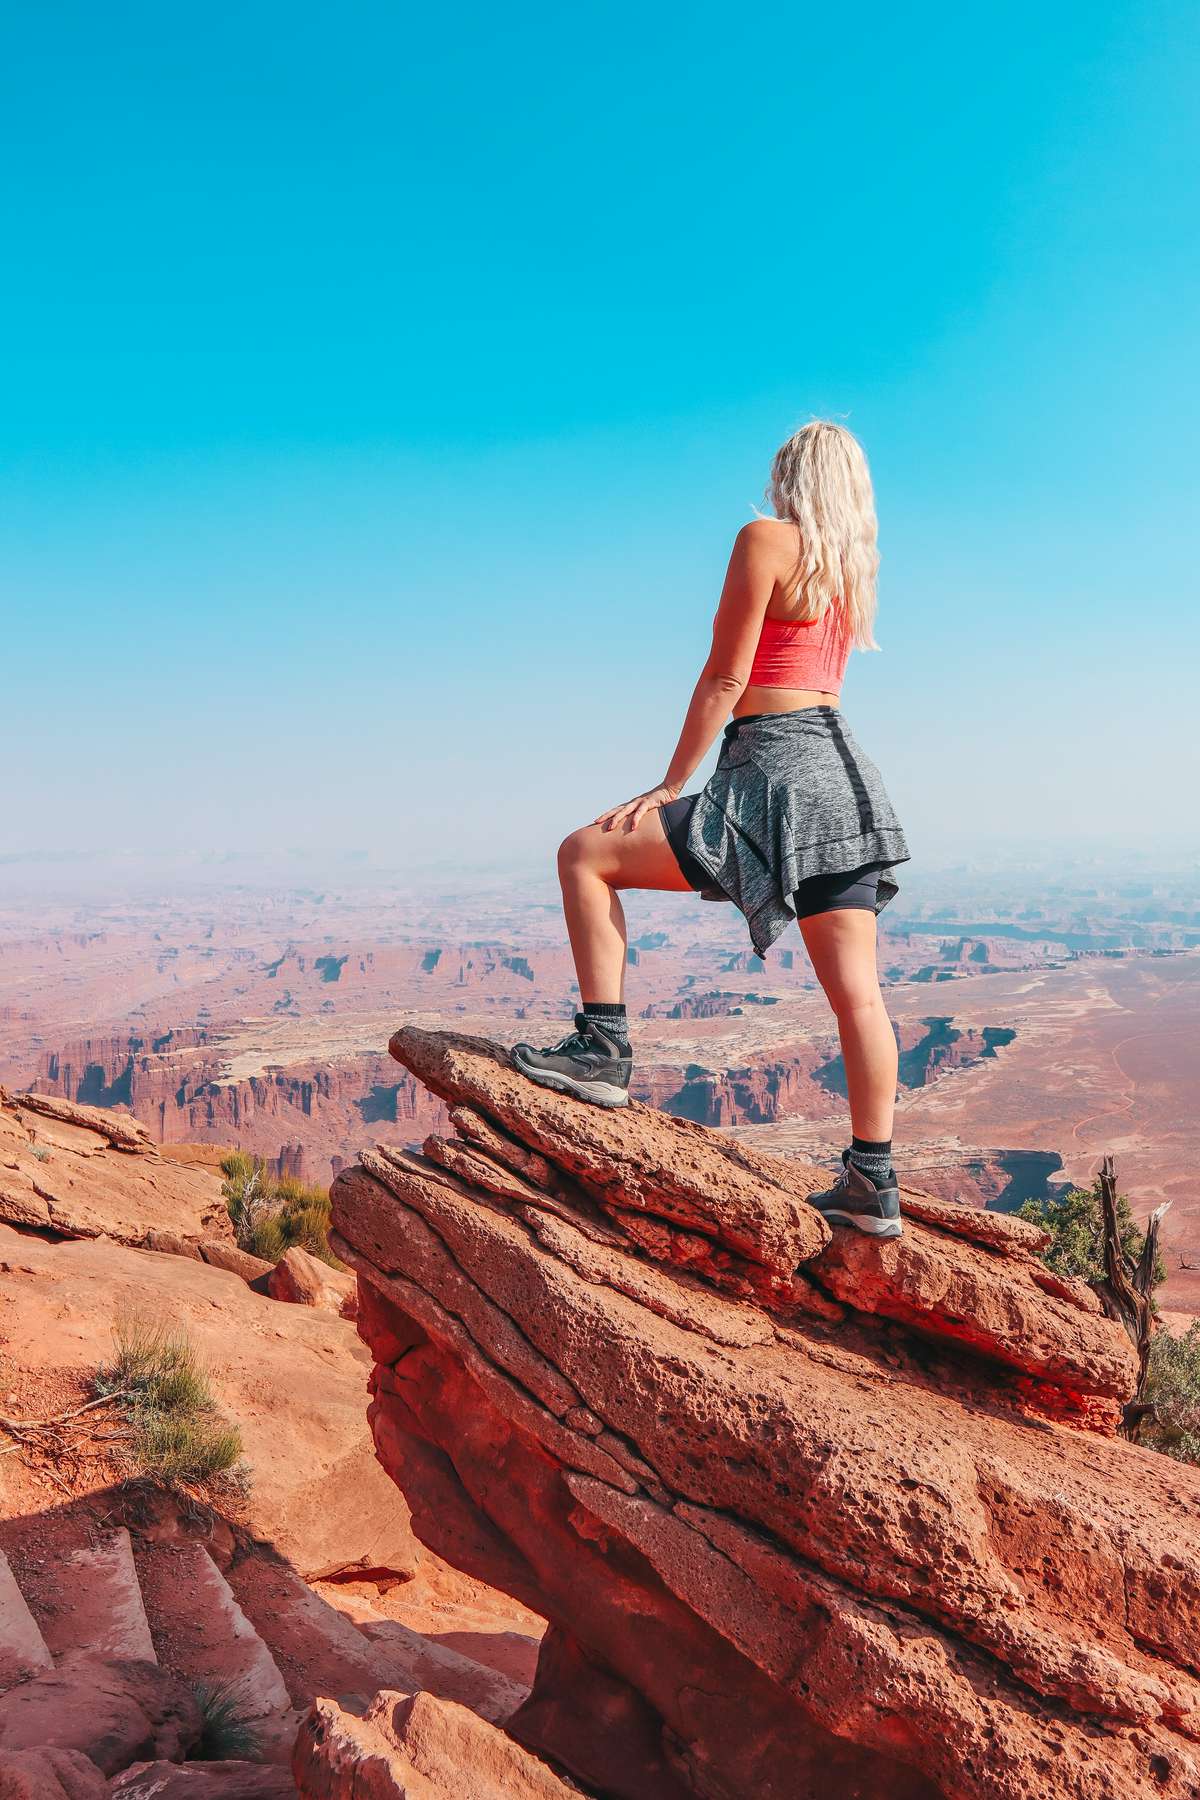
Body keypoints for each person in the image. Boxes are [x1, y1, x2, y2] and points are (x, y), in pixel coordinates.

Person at [511, 421, 910, 1239]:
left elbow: (728, 674)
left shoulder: (767, 538)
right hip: (849, 786)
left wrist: (671, 782)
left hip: (773, 773)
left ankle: (603, 1049)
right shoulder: (850, 568)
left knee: (584, 853)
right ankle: (874, 1181)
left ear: (789, 474)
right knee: (860, 997)